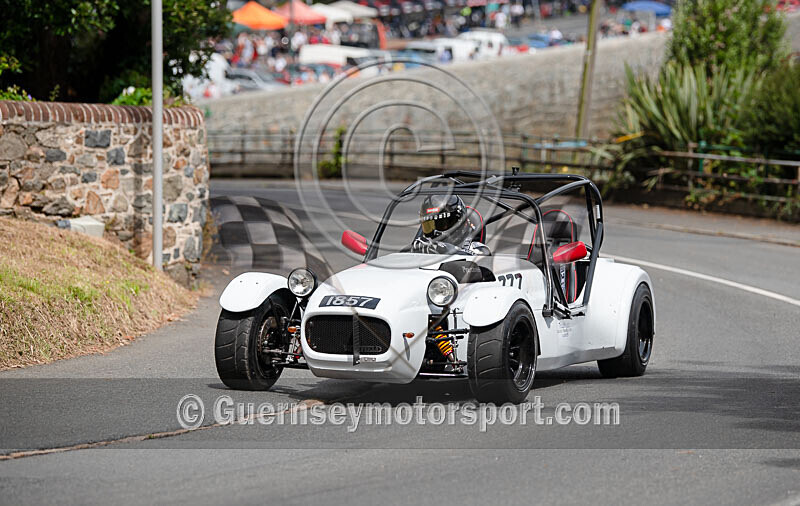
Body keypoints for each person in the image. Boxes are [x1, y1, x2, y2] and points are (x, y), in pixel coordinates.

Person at [411, 195, 490, 255]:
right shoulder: (425, 246)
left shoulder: (477, 249)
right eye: (428, 226)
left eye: (441, 224)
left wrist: (445, 249)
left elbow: (483, 260)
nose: (433, 233)